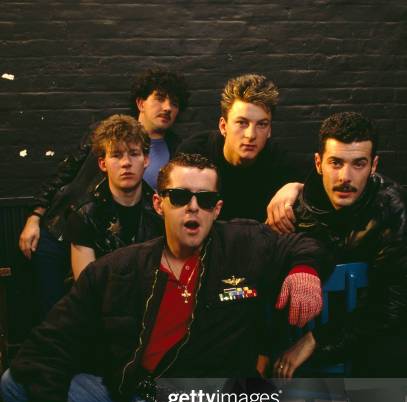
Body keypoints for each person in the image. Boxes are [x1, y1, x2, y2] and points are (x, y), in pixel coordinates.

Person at [1, 153, 329, 402]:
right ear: (159, 203)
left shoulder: (244, 244)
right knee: (15, 385)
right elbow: (51, 337)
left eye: (205, 200)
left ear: (217, 208)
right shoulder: (120, 267)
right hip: (122, 399)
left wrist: (305, 269)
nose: (193, 208)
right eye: (179, 197)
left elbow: (307, 243)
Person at [270, 111, 407, 402]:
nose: (345, 176)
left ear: (375, 165)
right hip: (290, 329)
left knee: (392, 351)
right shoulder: (293, 207)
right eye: (335, 163)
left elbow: (392, 302)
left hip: (354, 332)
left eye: (358, 164)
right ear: (317, 163)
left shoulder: (393, 209)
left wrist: (317, 339)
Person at [18, 67, 189, 316]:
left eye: (174, 103)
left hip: (112, 242)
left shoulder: (176, 147)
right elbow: (64, 174)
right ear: (141, 102)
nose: (167, 107)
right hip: (61, 231)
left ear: (145, 157)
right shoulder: (105, 134)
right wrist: (34, 217)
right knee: (58, 314)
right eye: (160, 99)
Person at [177, 73, 304, 222]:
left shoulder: (280, 161)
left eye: (262, 124)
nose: (251, 135)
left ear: (269, 130)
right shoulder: (195, 152)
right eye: (242, 123)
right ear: (223, 126)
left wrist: (296, 187)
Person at [64, 114, 162, 280]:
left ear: (145, 160)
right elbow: (86, 287)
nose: (126, 163)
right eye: (116, 155)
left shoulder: (160, 210)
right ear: (103, 164)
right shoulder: (84, 215)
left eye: (133, 153)